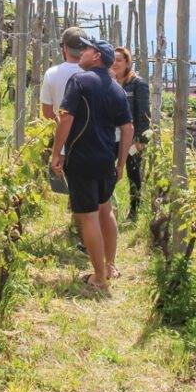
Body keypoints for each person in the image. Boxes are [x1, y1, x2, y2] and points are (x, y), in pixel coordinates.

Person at [50, 38, 134, 290]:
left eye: (85, 50)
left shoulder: (80, 81)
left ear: (96, 56)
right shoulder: (117, 89)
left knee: (87, 217)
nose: (81, 53)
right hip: (106, 160)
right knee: (105, 210)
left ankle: (99, 278)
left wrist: (57, 153)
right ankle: (109, 266)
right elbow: (128, 128)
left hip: (82, 160)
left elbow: (66, 120)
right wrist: (120, 164)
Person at [111, 46, 151, 220]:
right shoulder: (110, 82)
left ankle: (133, 212)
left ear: (128, 62)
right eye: (113, 60)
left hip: (131, 138)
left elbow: (144, 112)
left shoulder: (137, 83)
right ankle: (109, 207)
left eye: (119, 60)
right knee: (106, 170)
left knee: (133, 174)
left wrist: (141, 140)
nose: (115, 63)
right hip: (111, 137)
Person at [41, 26, 86, 119]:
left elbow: (47, 112)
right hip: (92, 132)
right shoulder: (94, 73)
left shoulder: (51, 73)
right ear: (86, 48)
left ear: (64, 48)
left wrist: (61, 126)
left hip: (63, 130)